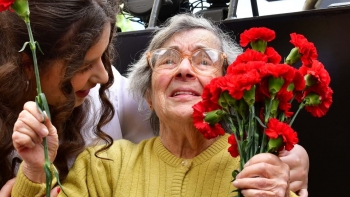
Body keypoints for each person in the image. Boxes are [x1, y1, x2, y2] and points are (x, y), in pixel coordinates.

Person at [12, 14, 307, 197]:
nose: (184, 70)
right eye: (168, 59)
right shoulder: (104, 164)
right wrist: (36, 170)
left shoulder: (258, 168)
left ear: (231, 88)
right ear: (150, 96)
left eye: (204, 60)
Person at [0, 0, 152, 192]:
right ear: (29, 65)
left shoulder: (108, 94)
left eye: (103, 55)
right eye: (85, 66)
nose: (104, 76)